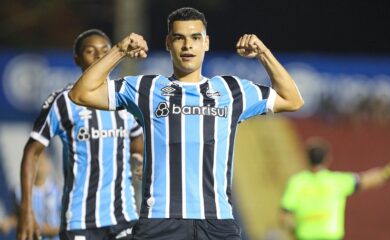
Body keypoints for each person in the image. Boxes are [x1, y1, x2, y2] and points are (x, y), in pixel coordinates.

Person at [68, 7, 304, 240]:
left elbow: (292, 100)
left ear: (206, 43)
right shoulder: (146, 88)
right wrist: (119, 50)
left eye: (195, 38)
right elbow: (81, 93)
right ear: (168, 43)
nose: (188, 45)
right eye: (179, 38)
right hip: (159, 221)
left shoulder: (232, 91)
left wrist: (263, 53)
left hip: (217, 221)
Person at [18, 29, 144, 240]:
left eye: (105, 50)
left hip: (124, 218)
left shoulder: (125, 97)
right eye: (90, 51)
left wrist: (138, 157)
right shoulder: (63, 102)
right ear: (77, 59)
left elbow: (136, 138)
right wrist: (26, 209)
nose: (99, 56)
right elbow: (32, 152)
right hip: (80, 221)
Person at [280, 137, 390, 240]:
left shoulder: (296, 182)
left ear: (307, 159)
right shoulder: (337, 181)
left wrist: (295, 231)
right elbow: (368, 180)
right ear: (327, 159)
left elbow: (284, 217)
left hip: (304, 237)